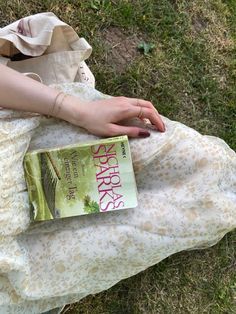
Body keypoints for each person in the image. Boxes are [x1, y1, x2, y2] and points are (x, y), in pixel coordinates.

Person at [0, 13, 235, 314]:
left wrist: (74, 110)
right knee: (193, 216)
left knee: (202, 159)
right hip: (18, 261)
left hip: (17, 147)